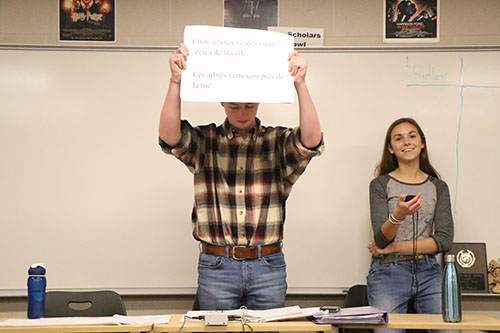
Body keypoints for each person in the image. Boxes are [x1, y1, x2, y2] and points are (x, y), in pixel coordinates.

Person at [158, 43, 323, 310]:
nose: (243, 114)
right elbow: (169, 137)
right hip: (217, 265)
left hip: (267, 264)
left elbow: (311, 141)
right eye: (234, 106)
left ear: (259, 101)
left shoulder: (276, 141)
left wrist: (301, 84)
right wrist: (175, 81)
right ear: (222, 101)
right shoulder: (206, 140)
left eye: (249, 105)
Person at [366, 118, 454, 333]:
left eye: (412, 136)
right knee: (387, 331)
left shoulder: (438, 186)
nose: (406, 142)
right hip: (388, 271)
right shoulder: (380, 184)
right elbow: (380, 239)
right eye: (398, 138)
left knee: (449, 330)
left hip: (429, 271)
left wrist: (395, 247)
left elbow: (443, 241)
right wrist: (398, 215)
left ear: (422, 143)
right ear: (391, 149)